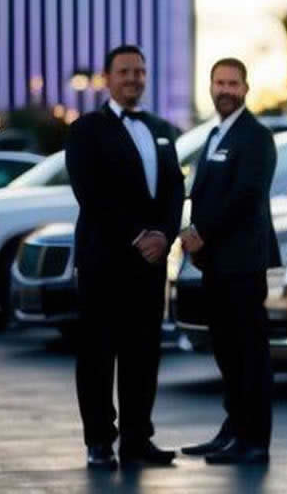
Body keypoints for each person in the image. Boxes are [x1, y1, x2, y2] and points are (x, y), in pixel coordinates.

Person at [66, 44, 184, 470]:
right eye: (124, 72)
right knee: (98, 355)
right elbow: (92, 194)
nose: (133, 78)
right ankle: (99, 440)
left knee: (143, 354)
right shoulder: (85, 130)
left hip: (149, 264)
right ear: (108, 78)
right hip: (103, 260)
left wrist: (165, 236)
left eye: (139, 72)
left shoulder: (163, 128)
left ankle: (138, 440)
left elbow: (174, 189)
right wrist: (138, 235)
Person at [179, 57, 279, 466]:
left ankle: (254, 441)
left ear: (245, 88)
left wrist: (202, 232)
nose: (225, 90)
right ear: (210, 87)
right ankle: (233, 428)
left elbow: (245, 196)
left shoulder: (254, 137)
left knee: (249, 355)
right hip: (216, 264)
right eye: (219, 83)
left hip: (242, 263)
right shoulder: (216, 134)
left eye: (232, 83)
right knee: (226, 352)